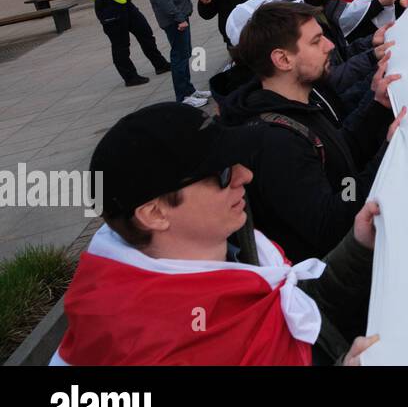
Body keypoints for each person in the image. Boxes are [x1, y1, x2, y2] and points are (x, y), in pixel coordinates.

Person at [54, 103, 379, 365]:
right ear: (154, 214)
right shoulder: (155, 349)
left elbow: (295, 306)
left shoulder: (240, 249)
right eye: (222, 173)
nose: (246, 175)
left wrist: (358, 246)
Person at [221, 1, 399, 263]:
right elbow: (331, 225)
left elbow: (341, 154)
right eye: (316, 41)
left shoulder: (299, 102)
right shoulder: (274, 141)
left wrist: (378, 106)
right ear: (283, 59)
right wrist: (388, 154)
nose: (329, 46)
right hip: (330, 281)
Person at [139, 0, 197, 102]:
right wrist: (178, 18)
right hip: (174, 19)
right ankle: (183, 95)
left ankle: (189, 90)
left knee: (184, 53)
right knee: (179, 56)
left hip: (179, 15)